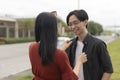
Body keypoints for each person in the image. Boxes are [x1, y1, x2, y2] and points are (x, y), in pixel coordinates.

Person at [29, 12, 87, 80]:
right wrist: (79, 62)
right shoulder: (60, 55)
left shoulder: (32, 47)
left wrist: (62, 49)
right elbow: (71, 78)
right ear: (53, 29)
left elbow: (49, 62)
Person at [65, 9, 113, 80]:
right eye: (70, 24)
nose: (73, 27)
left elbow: (108, 70)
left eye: (75, 23)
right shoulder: (69, 45)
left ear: (85, 22)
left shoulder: (98, 44)